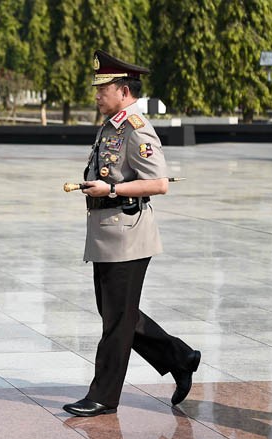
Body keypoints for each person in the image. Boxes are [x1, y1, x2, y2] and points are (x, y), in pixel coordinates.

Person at [62, 50, 201, 418]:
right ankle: (180, 357)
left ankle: (103, 396)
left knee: (116, 322)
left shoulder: (137, 128)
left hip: (127, 235)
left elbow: (159, 183)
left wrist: (109, 191)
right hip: (107, 235)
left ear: (123, 90)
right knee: (118, 315)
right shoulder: (111, 126)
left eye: (102, 89)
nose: (96, 95)